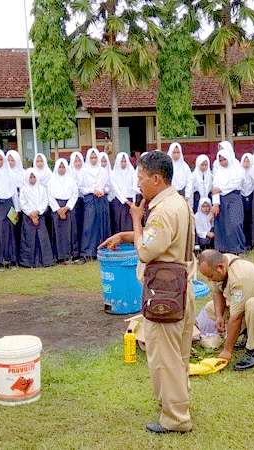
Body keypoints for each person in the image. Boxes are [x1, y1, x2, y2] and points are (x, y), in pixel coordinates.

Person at [99, 150, 195, 434]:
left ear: (156, 179)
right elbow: (164, 240)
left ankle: (176, 418)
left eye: (141, 177)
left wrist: (136, 219)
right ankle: (177, 404)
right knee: (178, 356)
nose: (138, 182)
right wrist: (124, 235)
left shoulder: (162, 211)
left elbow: (145, 250)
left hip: (165, 293)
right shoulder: (178, 203)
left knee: (165, 358)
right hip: (180, 288)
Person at [198, 249, 254, 371]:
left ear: (220, 268)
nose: (209, 280)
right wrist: (219, 316)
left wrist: (227, 351)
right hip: (251, 305)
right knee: (211, 307)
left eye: (210, 276)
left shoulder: (239, 277)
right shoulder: (220, 263)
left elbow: (236, 317)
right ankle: (247, 333)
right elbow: (217, 292)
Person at [212, 141, 246, 254]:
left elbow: (237, 183)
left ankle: (238, 248)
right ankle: (224, 249)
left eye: (224, 159)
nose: (222, 162)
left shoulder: (237, 167)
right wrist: (215, 204)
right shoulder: (218, 171)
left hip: (234, 198)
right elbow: (214, 188)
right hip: (221, 200)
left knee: (235, 223)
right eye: (220, 160)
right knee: (223, 225)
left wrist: (221, 189)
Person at [19, 169, 55, 268]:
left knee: (42, 238)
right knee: (29, 238)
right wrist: (31, 214)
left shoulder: (42, 188)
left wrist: (37, 212)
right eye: (30, 177)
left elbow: (45, 201)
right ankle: (28, 262)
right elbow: (22, 203)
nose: (32, 179)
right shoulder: (24, 189)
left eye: (34, 177)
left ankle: (45, 261)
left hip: (40, 216)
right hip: (28, 217)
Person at [79, 148, 110, 261]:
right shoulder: (84, 171)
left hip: (101, 199)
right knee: (89, 225)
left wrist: (103, 190)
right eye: (91, 157)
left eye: (95, 157)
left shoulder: (103, 171)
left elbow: (108, 186)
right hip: (90, 199)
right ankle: (88, 252)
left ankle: (103, 250)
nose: (93, 160)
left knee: (102, 224)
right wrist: (93, 190)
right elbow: (81, 188)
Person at [48, 159, 79, 264]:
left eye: (63, 167)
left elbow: (75, 194)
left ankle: (72, 254)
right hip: (56, 208)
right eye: (60, 167)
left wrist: (66, 208)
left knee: (71, 231)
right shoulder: (51, 181)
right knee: (58, 232)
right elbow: (49, 196)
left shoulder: (71, 180)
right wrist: (58, 209)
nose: (61, 169)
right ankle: (60, 256)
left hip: (69, 208)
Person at [109, 152, 137, 233]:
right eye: (122, 161)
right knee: (119, 222)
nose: (124, 163)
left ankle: (129, 242)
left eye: (125, 161)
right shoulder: (114, 174)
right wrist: (126, 201)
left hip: (131, 201)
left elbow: (134, 187)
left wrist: (133, 201)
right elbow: (116, 190)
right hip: (119, 201)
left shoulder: (132, 172)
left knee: (129, 222)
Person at [239, 153, 254, 249]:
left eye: (248, 161)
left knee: (251, 220)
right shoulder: (239, 172)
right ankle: (243, 241)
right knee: (243, 220)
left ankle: (251, 242)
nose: (246, 163)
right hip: (241, 196)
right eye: (244, 161)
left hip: (252, 196)